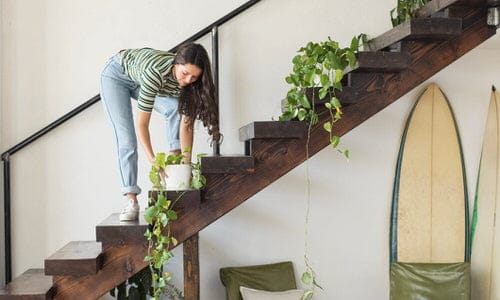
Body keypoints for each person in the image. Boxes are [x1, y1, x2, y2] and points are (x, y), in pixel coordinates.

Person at [100, 43, 221, 221]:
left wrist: (185, 166)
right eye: (185, 73)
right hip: (116, 75)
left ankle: (175, 165)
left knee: (174, 109)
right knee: (127, 139)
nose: (188, 80)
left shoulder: (190, 85)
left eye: (194, 77)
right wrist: (154, 160)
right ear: (176, 63)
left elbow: (186, 125)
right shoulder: (156, 74)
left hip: (140, 77)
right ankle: (131, 199)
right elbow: (142, 124)